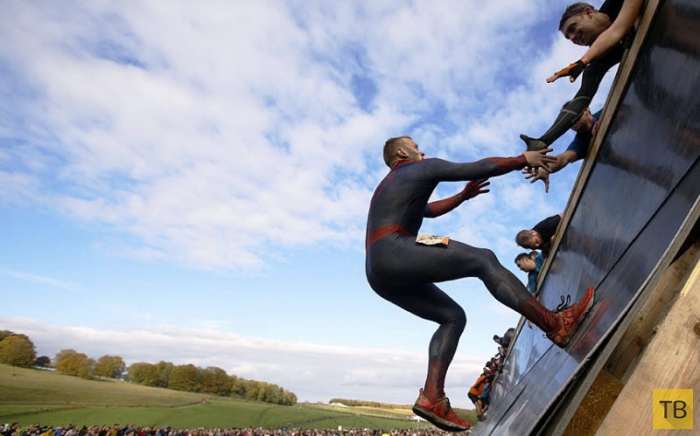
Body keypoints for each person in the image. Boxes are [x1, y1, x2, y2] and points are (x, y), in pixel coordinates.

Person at [365, 136, 595, 432]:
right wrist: (522, 159)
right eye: (415, 146)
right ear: (401, 151)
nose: (421, 150)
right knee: (483, 259)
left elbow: (429, 210)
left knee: (452, 316)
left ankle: (432, 397)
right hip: (396, 247)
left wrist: (462, 196)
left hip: (378, 269)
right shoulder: (421, 168)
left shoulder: (391, 186)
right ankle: (555, 324)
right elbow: (478, 167)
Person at [519, 0, 645, 152]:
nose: (572, 38)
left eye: (572, 28)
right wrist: (544, 140)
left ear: (588, 13)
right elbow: (581, 99)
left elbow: (618, 29)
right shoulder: (597, 61)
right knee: (642, 91)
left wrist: (582, 61)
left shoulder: (615, 4)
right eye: (568, 37)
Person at [524, 107, 602, 192]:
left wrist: (603, 125)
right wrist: (546, 169)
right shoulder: (580, 142)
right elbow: (564, 158)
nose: (573, 122)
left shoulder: (605, 111)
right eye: (568, 122)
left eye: (573, 116)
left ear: (586, 110)